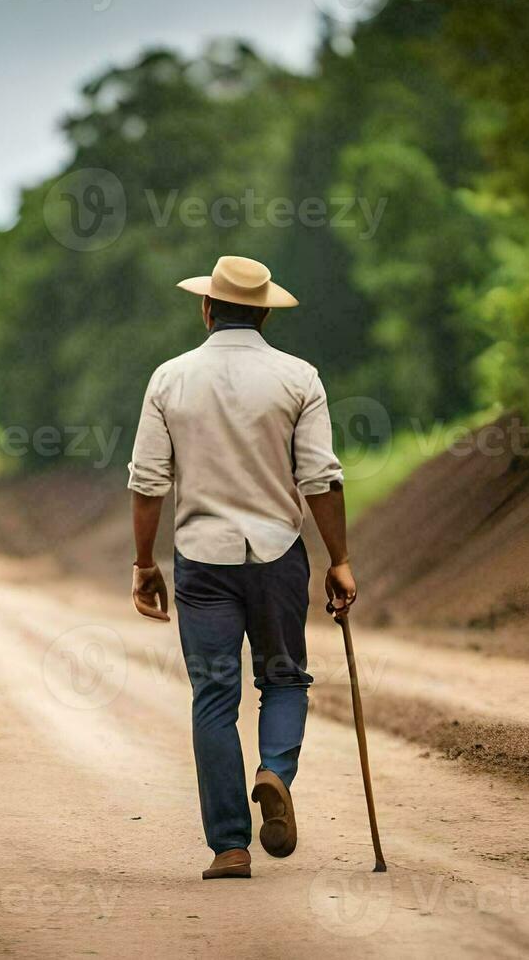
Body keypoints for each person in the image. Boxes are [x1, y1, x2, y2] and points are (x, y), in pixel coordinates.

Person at [126, 255, 357, 881]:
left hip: (202, 562)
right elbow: (320, 478)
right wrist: (339, 560)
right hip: (279, 555)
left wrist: (146, 564)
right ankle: (274, 772)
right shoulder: (298, 378)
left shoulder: (169, 379)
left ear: (206, 309)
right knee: (283, 679)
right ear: (263, 313)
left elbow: (148, 482)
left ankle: (229, 847)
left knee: (213, 698)